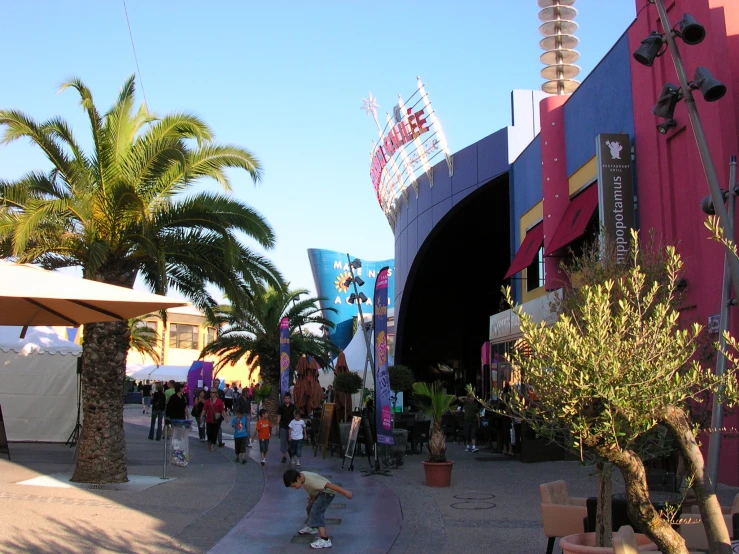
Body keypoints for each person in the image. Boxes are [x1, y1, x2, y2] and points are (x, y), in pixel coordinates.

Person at [283, 468, 353, 549]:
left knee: (317, 512)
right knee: (309, 508)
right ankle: (313, 527)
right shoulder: (302, 476)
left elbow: (329, 485)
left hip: (327, 493)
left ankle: (325, 540)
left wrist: (345, 492)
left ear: (298, 479)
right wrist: (311, 496)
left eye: (294, 486)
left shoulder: (312, 481)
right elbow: (310, 488)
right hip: (320, 492)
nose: (294, 488)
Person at [201, 388, 226, 452]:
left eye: (213, 392)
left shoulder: (219, 401)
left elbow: (222, 409)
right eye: (211, 392)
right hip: (209, 419)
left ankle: (212, 445)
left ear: (216, 394)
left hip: (217, 419)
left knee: (215, 432)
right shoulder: (207, 401)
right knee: (209, 432)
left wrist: (225, 417)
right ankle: (209, 441)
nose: (211, 394)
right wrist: (201, 416)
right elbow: (204, 409)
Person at [276, 392, 297, 463]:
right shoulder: (281, 407)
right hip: (283, 426)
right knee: (283, 441)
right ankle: (284, 456)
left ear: (290, 399)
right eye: (285, 398)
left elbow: (296, 416)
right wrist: (277, 426)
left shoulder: (293, 407)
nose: (287, 399)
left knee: (291, 441)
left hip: (291, 427)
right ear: (284, 399)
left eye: (288, 398)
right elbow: (279, 416)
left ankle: (292, 455)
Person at [213, 378, 226, 447]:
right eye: (216, 383)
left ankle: (220, 441)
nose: (217, 385)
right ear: (213, 383)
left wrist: (223, 412)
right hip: (211, 411)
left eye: (218, 383)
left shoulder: (221, 392)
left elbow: (223, 402)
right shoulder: (210, 391)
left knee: (218, 426)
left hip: (218, 411)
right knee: (211, 425)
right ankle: (212, 440)